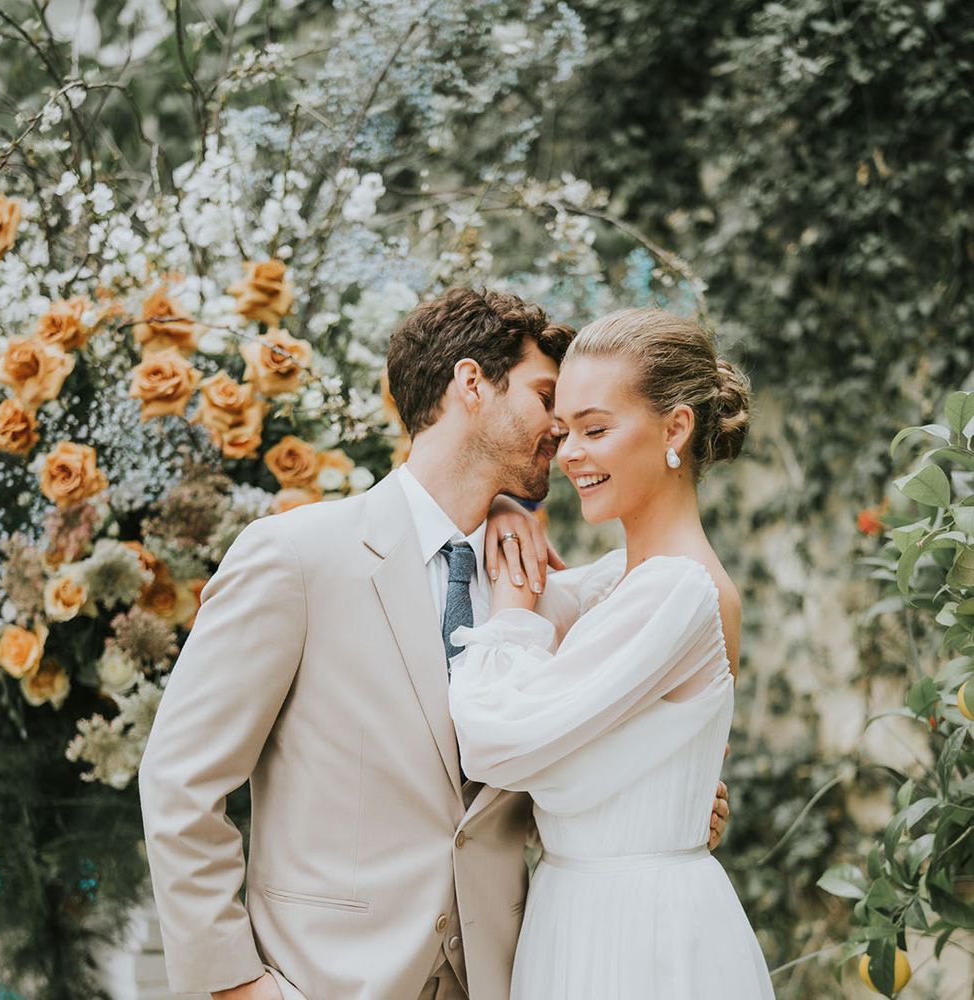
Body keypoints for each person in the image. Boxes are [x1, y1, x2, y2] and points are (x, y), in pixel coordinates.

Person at [138, 289, 729, 1000]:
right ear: (473, 384)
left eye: (583, 422)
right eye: (548, 400)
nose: (561, 437)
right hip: (326, 982)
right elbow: (180, 781)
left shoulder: (540, 587)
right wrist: (234, 984)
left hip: (504, 976)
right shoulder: (295, 558)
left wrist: (653, 795)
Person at [448, 307, 774, 999]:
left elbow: (493, 739)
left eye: (596, 430)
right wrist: (506, 510)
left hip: (636, 931)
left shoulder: (679, 593)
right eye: (564, 431)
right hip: (577, 912)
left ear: (675, 429)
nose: (568, 454)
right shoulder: (617, 584)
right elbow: (548, 597)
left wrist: (509, 618)